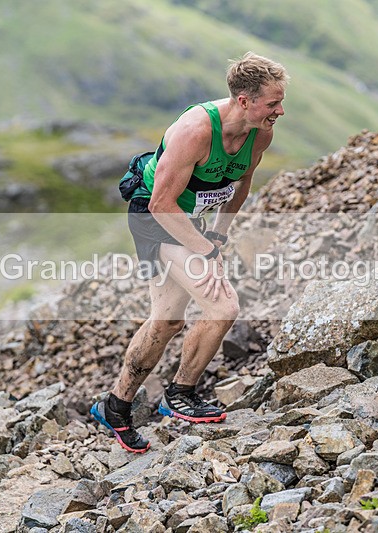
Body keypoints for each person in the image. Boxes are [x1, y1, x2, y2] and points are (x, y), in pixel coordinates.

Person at [91, 52, 289, 452]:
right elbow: (161, 203)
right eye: (273, 103)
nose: (280, 111)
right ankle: (180, 393)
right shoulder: (195, 131)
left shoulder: (260, 133)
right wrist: (205, 253)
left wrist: (218, 236)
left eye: (281, 102)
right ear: (244, 100)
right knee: (223, 306)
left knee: (166, 321)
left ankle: (116, 405)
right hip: (154, 215)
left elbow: (242, 185)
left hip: (189, 220)